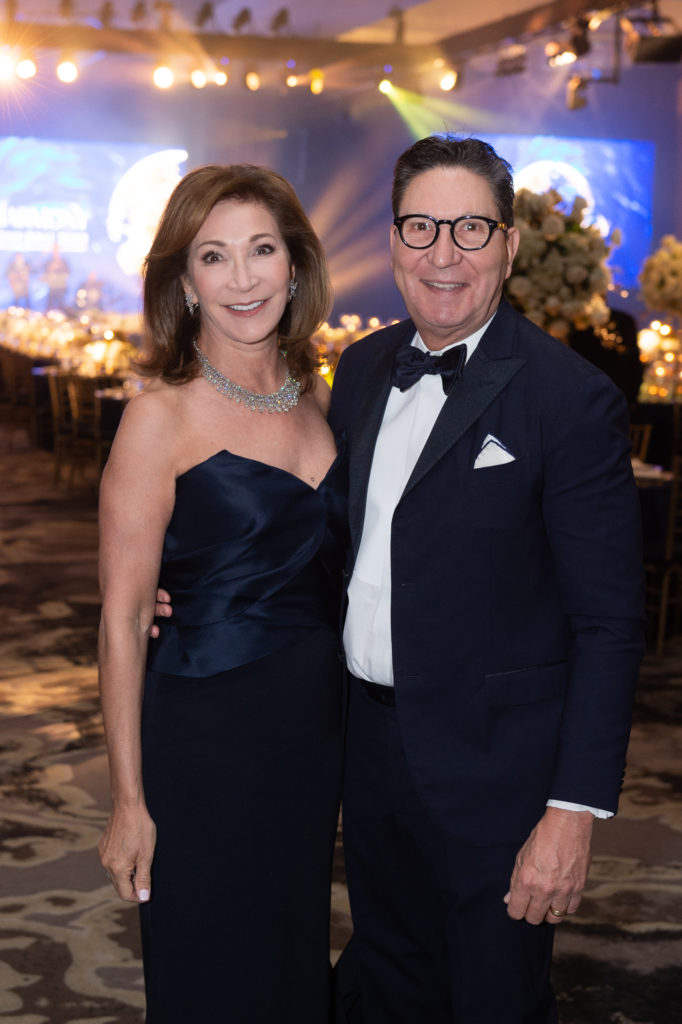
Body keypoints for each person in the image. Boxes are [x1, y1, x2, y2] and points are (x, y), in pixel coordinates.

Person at [326, 134, 645, 1023]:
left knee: (490, 1001)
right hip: (371, 752)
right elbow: (336, 550)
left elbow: (609, 627)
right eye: (421, 226)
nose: (443, 252)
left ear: (509, 245)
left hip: (501, 779)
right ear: (391, 241)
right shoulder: (358, 371)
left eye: (471, 228)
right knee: (386, 981)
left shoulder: (569, 400)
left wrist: (572, 811)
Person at [98, 163, 346, 1023]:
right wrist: (129, 801)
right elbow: (125, 619)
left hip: (313, 740)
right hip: (204, 740)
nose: (244, 278)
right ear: (184, 280)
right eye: (215, 255)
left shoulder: (322, 399)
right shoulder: (158, 416)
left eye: (262, 250)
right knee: (212, 973)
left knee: (291, 964)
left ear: (295, 264)